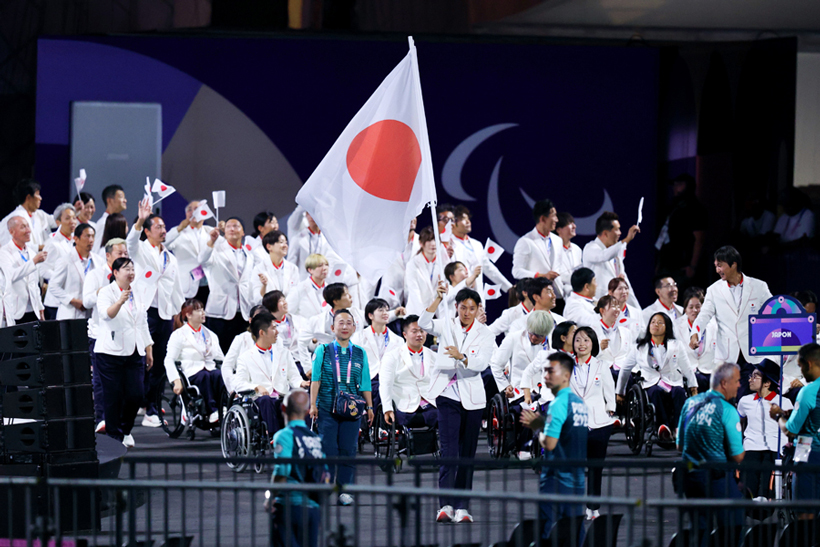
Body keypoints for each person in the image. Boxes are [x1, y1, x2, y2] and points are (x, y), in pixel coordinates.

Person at [419, 284, 495, 524]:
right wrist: (436, 298)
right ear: (456, 307)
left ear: (477, 310)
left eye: (472, 308)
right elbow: (423, 323)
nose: (467, 312)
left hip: (472, 398)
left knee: (467, 454)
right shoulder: (446, 324)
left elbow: (482, 363)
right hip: (447, 394)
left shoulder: (485, 333)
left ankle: (462, 506)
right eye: (463, 308)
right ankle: (446, 505)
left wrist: (462, 357)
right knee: (449, 451)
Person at [127, 198, 184, 427]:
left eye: (164, 227)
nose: (163, 230)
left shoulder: (170, 257)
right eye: (158, 227)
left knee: (160, 362)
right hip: (144, 313)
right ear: (148, 232)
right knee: (142, 361)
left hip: (164, 315)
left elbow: (176, 287)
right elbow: (130, 243)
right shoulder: (140, 250)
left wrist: (178, 312)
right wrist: (140, 220)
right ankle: (141, 403)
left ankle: (152, 406)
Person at [520, 352, 588, 540]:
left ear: (566, 375)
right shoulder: (579, 403)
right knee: (576, 527)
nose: (546, 376)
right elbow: (568, 435)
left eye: (551, 371)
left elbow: (549, 443)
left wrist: (537, 429)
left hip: (556, 478)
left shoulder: (558, 404)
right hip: (577, 478)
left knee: (548, 529)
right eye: (545, 371)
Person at [309, 309, 373, 506]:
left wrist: (369, 407)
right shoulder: (323, 350)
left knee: (348, 450)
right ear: (332, 327)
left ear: (354, 327)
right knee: (327, 449)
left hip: (352, 411)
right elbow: (315, 379)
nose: (344, 327)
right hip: (327, 408)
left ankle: (345, 489)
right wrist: (312, 404)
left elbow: (364, 383)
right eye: (340, 323)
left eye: (348, 323)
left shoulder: (360, 353)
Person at [690, 246, 772, 399]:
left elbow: (774, 312)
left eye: (720, 265)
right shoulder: (714, 290)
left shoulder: (759, 287)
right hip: (727, 356)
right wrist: (695, 333)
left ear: (733, 264)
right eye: (715, 266)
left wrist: (804, 326)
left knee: (749, 399)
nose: (717, 270)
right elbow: (704, 316)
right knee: (729, 398)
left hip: (753, 354)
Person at [677, 363, 745, 544]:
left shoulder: (689, 403)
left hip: (691, 477)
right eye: (737, 381)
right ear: (724, 383)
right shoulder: (728, 410)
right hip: (718, 478)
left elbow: (680, 445)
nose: (739, 385)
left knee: (699, 530)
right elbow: (738, 456)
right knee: (733, 526)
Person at [95, 257, 154, 448]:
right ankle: (114, 437)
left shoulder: (138, 292)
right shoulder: (106, 292)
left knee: (136, 394)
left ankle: (126, 429)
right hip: (110, 352)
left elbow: (142, 321)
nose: (130, 272)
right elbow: (106, 314)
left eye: (132, 268)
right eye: (126, 268)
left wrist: (149, 348)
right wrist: (120, 301)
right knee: (113, 397)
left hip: (135, 350)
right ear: (115, 273)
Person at [616, 312, 697, 442]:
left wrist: (693, 387)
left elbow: (687, 368)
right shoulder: (639, 348)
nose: (655, 325)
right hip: (650, 383)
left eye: (660, 323)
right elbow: (625, 369)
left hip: (672, 381)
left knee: (680, 392)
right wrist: (620, 392)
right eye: (653, 322)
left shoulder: (676, 345)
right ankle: (663, 427)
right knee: (655, 392)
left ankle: (678, 428)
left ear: (667, 327)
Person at [489, 311, 554, 459]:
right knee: (532, 407)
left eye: (538, 335)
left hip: (544, 390)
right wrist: (505, 386)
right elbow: (496, 365)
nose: (533, 337)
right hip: (519, 391)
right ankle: (524, 447)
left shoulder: (552, 343)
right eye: (531, 333)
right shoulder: (513, 338)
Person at [269, 388, 326, 547]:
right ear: (308, 411)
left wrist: (271, 498)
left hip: (289, 505)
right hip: (312, 508)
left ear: (283, 408)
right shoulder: (315, 439)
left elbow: (282, 471)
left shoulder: (284, 435)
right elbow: (324, 474)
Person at [83, 238, 128, 433]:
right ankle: (101, 419)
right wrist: (103, 291)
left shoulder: (131, 276)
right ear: (108, 256)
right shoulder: (95, 274)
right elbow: (86, 301)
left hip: (124, 335)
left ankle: (120, 422)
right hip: (100, 333)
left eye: (125, 253)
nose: (124, 257)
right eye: (120, 253)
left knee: (124, 382)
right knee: (100, 380)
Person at [235, 312, 307, 436]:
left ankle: (304, 434)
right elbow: (239, 384)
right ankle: (274, 436)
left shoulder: (284, 353)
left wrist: (302, 383)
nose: (277, 332)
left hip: (281, 398)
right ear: (262, 333)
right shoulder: (245, 358)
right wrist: (256, 387)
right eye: (273, 328)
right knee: (266, 400)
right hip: (259, 402)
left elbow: (293, 376)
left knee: (297, 400)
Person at [569, 327, 615, 520]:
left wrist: (611, 408)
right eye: (578, 340)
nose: (581, 344)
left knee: (596, 467)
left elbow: (609, 389)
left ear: (593, 344)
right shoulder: (566, 364)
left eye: (586, 340)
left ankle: (593, 507)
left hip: (598, 423)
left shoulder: (601, 365)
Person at [771, 343, 820, 516]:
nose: (801, 372)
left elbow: (791, 430)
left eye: (800, 366)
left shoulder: (808, 391)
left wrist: (778, 416)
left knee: (805, 513)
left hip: (808, 451)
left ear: (810, 364)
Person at [164, 298, 227, 423]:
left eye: (203, 309)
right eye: (198, 310)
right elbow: (169, 359)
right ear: (188, 315)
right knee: (204, 376)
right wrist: (175, 380)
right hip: (191, 373)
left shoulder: (211, 335)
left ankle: (223, 407)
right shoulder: (179, 335)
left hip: (209, 369)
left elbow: (221, 358)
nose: (203, 313)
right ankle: (211, 410)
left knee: (218, 375)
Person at [738, 360, 792, 500]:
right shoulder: (745, 401)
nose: (750, 379)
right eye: (751, 375)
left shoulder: (784, 402)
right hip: (751, 447)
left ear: (767, 383)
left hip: (775, 448)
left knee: (767, 482)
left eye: (755, 376)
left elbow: (791, 429)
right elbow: (738, 423)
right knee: (749, 482)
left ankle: (765, 503)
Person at [200, 216, 255, 353]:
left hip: (242, 311)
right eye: (229, 226)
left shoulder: (249, 255)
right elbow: (202, 260)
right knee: (220, 352)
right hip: (220, 312)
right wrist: (211, 241)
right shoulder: (217, 250)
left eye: (236, 226)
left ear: (243, 232)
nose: (232, 228)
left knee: (241, 353)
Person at [379, 315, 439, 428]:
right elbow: (385, 384)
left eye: (422, 331)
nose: (419, 334)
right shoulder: (392, 356)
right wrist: (387, 408)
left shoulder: (434, 356)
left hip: (429, 403)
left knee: (442, 415)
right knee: (407, 418)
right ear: (405, 334)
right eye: (414, 331)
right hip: (404, 404)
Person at [655, 173, 708, 289]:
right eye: (674, 185)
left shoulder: (695, 209)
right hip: (667, 264)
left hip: (683, 267)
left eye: (679, 184)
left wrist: (693, 266)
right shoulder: (673, 208)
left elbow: (699, 239)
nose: (675, 188)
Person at [350, 298, 404, 411]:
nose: (385, 313)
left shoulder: (398, 340)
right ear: (370, 315)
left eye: (387, 310)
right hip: (367, 378)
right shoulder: (358, 337)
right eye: (381, 310)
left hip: (390, 378)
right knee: (378, 391)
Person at [450, 205, 513, 300]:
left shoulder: (477, 244)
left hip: (477, 297)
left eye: (468, 219)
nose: (468, 222)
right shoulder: (448, 245)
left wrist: (508, 287)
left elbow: (489, 268)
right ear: (453, 223)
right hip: (458, 297)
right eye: (463, 219)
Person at [582, 211, 641, 308]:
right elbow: (603, 256)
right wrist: (627, 239)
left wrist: (636, 308)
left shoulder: (616, 251)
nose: (620, 233)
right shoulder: (590, 248)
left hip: (616, 305)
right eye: (617, 230)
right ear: (605, 233)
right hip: (598, 304)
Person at [48, 223, 101, 320]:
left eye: (93, 236)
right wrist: (72, 300)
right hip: (71, 314)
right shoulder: (65, 260)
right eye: (87, 236)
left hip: (92, 315)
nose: (91, 240)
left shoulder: (99, 261)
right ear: (76, 239)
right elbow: (53, 286)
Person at [0, 216, 47, 323]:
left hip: (33, 310)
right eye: (23, 227)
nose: (28, 230)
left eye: (28, 226)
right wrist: (33, 262)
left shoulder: (31, 252)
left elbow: (34, 283)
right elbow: (10, 276)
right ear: (11, 231)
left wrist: (40, 307)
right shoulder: (4, 253)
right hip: (16, 310)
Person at [511, 200, 563, 294]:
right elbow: (516, 271)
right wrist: (541, 275)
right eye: (554, 216)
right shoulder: (525, 241)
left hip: (558, 294)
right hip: (537, 296)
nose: (557, 220)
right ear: (543, 219)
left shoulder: (558, 240)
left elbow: (558, 267)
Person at [676, 287, 717, 394]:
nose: (694, 310)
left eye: (698, 307)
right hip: (686, 372)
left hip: (709, 370)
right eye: (691, 307)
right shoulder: (676, 326)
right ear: (685, 309)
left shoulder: (714, 324)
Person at [166, 200, 210, 300]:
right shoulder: (178, 232)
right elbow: (163, 244)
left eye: (196, 209)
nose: (193, 212)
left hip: (208, 284)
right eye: (189, 210)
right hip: (187, 284)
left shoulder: (210, 232)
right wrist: (179, 228)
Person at [42, 203, 79, 319]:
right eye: (67, 218)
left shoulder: (77, 241)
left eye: (74, 218)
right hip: (55, 302)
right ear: (58, 222)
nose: (72, 221)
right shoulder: (52, 243)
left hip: (73, 299)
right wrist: (62, 277)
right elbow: (43, 270)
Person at [263, 290, 310, 377]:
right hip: (280, 365)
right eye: (281, 301)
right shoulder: (266, 327)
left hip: (301, 362)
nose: (285, 303)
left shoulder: (299, 320)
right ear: (272, 304)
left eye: (284, 299)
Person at [222, 304, 266, 395]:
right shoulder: (240, 339)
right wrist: (232, 389)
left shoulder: (274, 339)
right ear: (250, 320)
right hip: (246, 386)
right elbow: (226, 366)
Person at [0, 178, 56, 249]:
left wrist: (73, 210)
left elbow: (58, 220)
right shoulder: (15, 218)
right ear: (28, 197)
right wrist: (43, 247)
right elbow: (16, 246)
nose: (40, 198)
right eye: (38, 194)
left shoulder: (38, 214)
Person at [592, 295, 633, 384]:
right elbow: (587, 356)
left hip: (623, 371)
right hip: (602, 371)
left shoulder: (626, 332)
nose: (617, 309)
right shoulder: (592, 332)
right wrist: (599, 348)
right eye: (613, 306)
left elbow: (630, 355)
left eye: (618, 306)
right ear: (602, 311)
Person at [252, 230, 300, 303]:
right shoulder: (259, 269)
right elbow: (257, 299)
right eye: (281, 242)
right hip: (268, 311)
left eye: (286, 243)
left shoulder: (293, 268)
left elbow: (296, 295)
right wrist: (264, 286)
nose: (285, 246)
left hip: (289, 311)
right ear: (269, 247)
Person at [405, 226, 441, 317]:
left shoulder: (443, 262)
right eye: (429, 240)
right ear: (421, 243)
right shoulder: (412, 264)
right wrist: (423, 317)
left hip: (438, 314)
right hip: (417, 314)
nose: (433, 244)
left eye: (435, 240)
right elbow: (414, 292)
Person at [287, 254, 330, 320]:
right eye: (320, 266)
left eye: (326, 265)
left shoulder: (330, 290)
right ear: (310, 270)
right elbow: (287, 313)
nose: (324, 268)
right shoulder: (298, 289)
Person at [555, 212, 583, 305]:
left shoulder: (577, 249)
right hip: (558, 298)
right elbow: (556, 275)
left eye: (573, 223)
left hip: (577, 296)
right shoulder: (552, 250)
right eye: (570, 224)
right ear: (559, 229)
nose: (574, 226)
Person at [92, 184, 128, 254]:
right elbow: (96, 251)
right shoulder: (103, 223)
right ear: (109, 201)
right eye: (121, 197)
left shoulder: (116, 221)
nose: (125, 200)